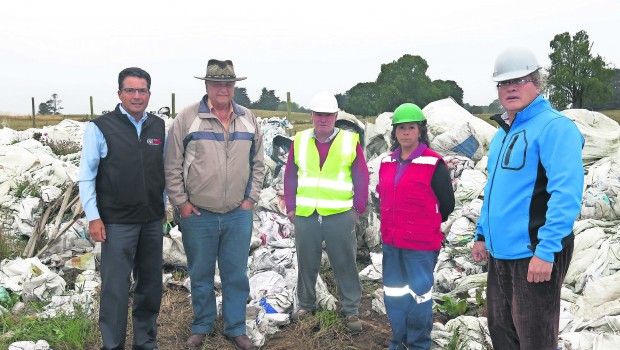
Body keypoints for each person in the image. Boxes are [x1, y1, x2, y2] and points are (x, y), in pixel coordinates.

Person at [471, 47, 584, 350]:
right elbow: (494, 189)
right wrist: (481, 233)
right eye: (502, 83)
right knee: (502, 333)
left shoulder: (555, 128)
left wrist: (546, 251)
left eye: (518, 80)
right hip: (500, 254)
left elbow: (566, 194)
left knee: (535, 338)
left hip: (534, 252)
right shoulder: (502, 134)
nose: (509, 88)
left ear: (537, 82)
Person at [164, 59, 264, 350]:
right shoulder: (187, 117)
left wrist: (250, 200)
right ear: (206, 86)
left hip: (237, 214)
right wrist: (181, 204)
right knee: (201, 273)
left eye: (228, 84)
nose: (223, 89)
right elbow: (172, 165)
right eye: (217, 83)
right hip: (198, 214)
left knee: (235, 274)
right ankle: (202, 324)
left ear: (234, 87)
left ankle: (235, 327)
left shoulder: (248, 118)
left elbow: (258, 163)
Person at [78, 67, 165, 350]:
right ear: (119, 94)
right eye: (130, 90)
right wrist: (94, 217)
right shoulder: (101, 127)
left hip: (151, 221)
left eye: (142, 91)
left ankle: (145, 343)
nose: (137, 96)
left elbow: (160, 170)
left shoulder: (158, 127)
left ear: (149, 95)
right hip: (116, 223)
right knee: (115, 290)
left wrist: (163, 206)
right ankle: (112, 345)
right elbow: (87, 175)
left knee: (149, 287)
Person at [283, 91, 369, 333]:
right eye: (319, 115)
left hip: (340, 213)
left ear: (335, 116)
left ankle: (351, 310)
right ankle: (307, 305)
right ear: (311, 116)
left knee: (345, 263)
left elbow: (361, 175)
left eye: (328, 116)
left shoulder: (349, 141)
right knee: (306, 262)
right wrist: (291, 206)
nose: (323, 119)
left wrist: (358, 208)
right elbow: (290, 174)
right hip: (306, 213)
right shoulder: (299, 141)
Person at [377, 103, 454, 350]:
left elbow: (447, 204)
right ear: (395, 132)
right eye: (401, 128)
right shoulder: (387, 162)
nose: (406, 132)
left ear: (421, 131)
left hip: (420, 245)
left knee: (419, 296)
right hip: (391, 242)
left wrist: (423, 223)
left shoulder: (434, 164)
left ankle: (419, 343)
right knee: (394, 293)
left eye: (411, 127)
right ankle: (398, 339)